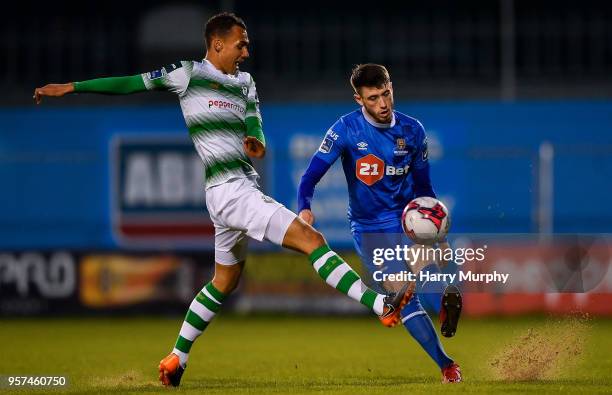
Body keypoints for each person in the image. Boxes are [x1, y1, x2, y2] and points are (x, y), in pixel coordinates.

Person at [33, 14, 413, 387]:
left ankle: (175, 358)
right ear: (217, 43)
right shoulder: (188, 74)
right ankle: (381, 305)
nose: (246, 51)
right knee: (311, 241)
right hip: (229, 191)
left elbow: (255, 127)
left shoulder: (245, 83)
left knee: (224, 282)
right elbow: (131, 83)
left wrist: (255, 142)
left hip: (234, 190)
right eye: (240, 43)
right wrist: (72, 86)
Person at [297, 64, 463, 383]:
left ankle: (447, 295)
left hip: (406, 218)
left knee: (436, 262)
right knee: (403, 294)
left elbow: (425, 189)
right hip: (369, 228)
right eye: (373, 98)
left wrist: (434, 227)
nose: (383, 104)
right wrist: (304, 209)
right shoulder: (345, 130)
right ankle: (447, 365)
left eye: (386, 93)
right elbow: (310, 177)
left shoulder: (413, 131)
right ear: (358, 99)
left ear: (391, 87)